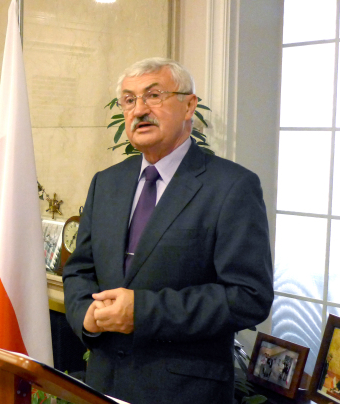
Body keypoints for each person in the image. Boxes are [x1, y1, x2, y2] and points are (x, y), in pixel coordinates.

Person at [62, 57, 274, 404]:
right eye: (129, 100)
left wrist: (142, 311)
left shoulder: (232, 186)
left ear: (190, 105)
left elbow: (249, 297)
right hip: (104, 385)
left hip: (184, 391)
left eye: (154, 95)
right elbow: (79, 270)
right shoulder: (106, 183)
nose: (139, 110)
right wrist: (85, 313)